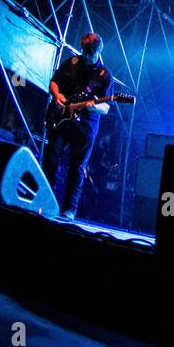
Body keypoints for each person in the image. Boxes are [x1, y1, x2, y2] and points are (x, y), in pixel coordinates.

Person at [44, 32, 113, 220]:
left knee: (77, 166)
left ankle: (69, 210)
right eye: (83, 52)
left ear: (98, 52)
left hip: (85, 126)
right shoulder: (72, 62)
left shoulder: (104, 75)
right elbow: (54, 81)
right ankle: (45, 199)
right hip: (62, 119)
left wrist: (93, 107)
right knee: (51, 156)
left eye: (89, 53)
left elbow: (106, 108)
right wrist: (57, 95)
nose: (85, 56)